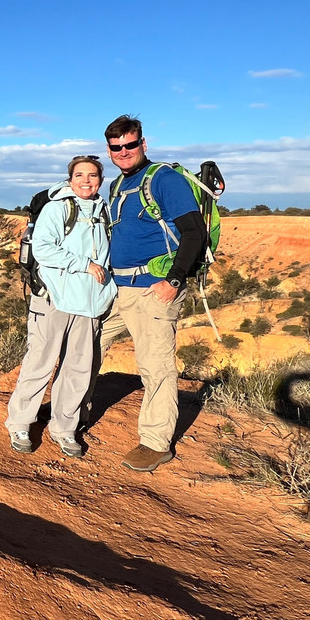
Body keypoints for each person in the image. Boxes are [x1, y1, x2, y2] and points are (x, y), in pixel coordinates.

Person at [100, 114, 208, 472]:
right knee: (87, 347)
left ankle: (156, 443)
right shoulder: (118, 184)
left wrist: (173, 281)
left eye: (130, 145)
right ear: (110, 150)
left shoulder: (164, 179)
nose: (124, 151)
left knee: (155, 366)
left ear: (143, 144)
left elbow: (194, 232)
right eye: (116, 147)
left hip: (153, 289)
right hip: (117, 288)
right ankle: (70, 412)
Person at [5, 155, 117, 458]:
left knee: (78, 369)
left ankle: (64, 429)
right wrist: (83, 264)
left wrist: (108, 288)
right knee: (39, 363)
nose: (86, 180)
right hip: (54, 297)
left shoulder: (103, 210)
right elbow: (42, 248)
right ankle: (20, 423)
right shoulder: (58, 208)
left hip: (89, 302)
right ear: (70, 179)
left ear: (101, 180)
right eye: (79, 175)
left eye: (92, 175)